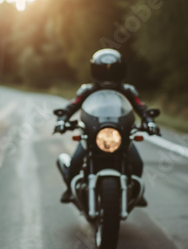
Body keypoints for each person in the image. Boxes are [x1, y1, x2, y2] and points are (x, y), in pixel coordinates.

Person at [54, 48, 159, 203]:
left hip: (120, 135)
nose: (108, 74)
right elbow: (72, 106)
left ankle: (136, 193)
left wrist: (149, 121)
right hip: (92, 134)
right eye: (103, 70)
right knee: (76, 162)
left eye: (113, 70)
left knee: (137, 163)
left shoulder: (128, 91)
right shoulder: (86, 90)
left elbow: (141, 108)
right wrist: (62, 119)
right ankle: (70, 190)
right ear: (95, 70)